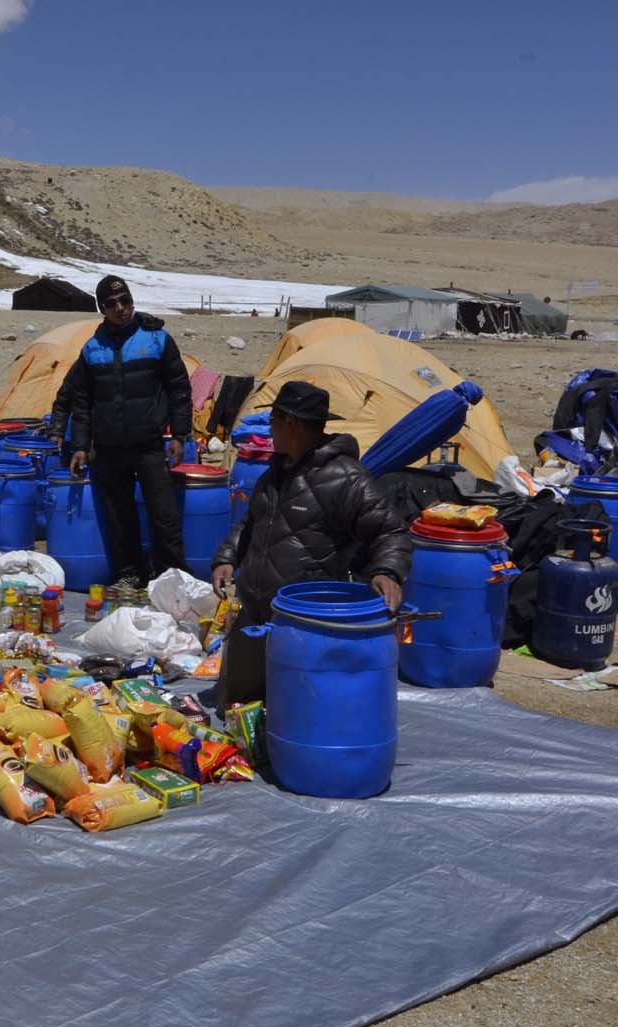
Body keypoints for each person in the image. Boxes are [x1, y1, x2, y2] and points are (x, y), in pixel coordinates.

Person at [210, 381, 410, 710]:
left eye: (273, 420)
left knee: (296, 715)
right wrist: (227, 557)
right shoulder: (275, 472)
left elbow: (392, 531)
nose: (269, 429)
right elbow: (250, 522)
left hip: (304, 625)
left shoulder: (346, 479)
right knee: (236, 713)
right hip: (255, 615)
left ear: (291, 423)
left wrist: (387, 570)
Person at [64, 275, 193, 587]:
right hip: (108, 448)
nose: (120, 308)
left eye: (126, 301)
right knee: (118, 515)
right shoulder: (92, 349)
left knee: (163, 514)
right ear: (102, 308)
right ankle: (129, 574)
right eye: (111, 304)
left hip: (149, 444)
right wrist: (80, 445)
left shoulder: (157, 339)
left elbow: (179, 389)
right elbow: (81, 401)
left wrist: (179, 434)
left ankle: (172, 577)